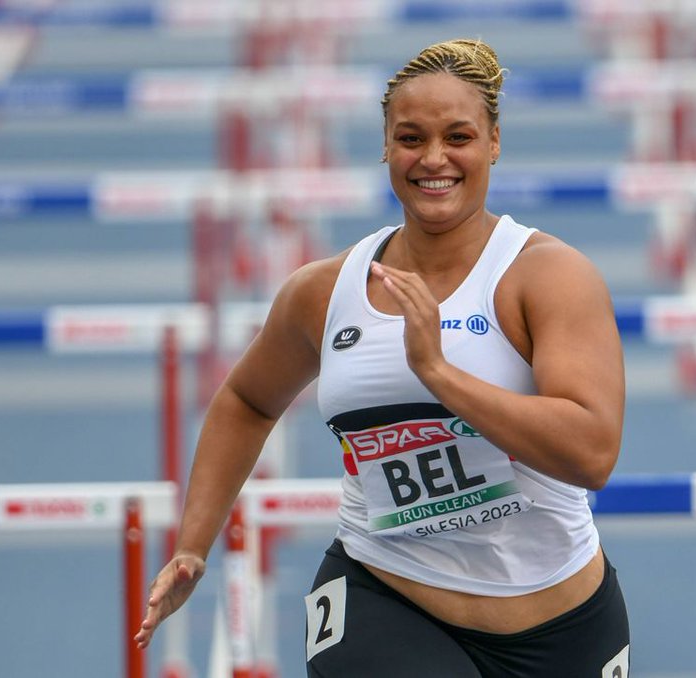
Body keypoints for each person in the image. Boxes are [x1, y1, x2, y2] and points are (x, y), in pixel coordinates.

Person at [136, 38, 630, 677]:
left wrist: (441, 375)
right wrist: (193, 547)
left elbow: (591, 453)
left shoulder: (545, 277)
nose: (433, 159)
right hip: (383, 594)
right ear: (385, 147)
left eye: (458, 137)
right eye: (410, 138)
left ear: (494, 142)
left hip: (559, 623)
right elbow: (247, 400)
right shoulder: (324, 291)